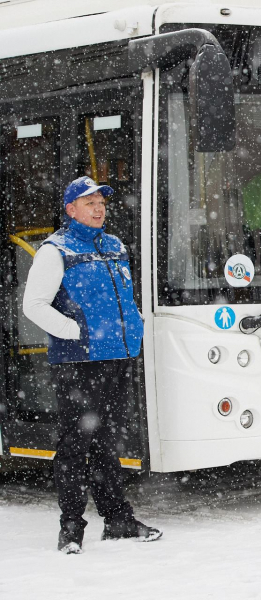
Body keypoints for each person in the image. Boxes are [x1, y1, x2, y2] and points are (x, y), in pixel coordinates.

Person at [23, 176, 161, 553]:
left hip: (116, 356)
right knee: (74, 445)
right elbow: (33, 305)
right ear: (71, 210)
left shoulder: (114, 246)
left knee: (105, 443)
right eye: (89, 202)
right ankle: (71, 527)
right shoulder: (55, 250)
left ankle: (118, 520)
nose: (99, 207)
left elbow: (124, 297)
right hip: (79, 361)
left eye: (101, 201)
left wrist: (135, 327)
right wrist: (74, 331)